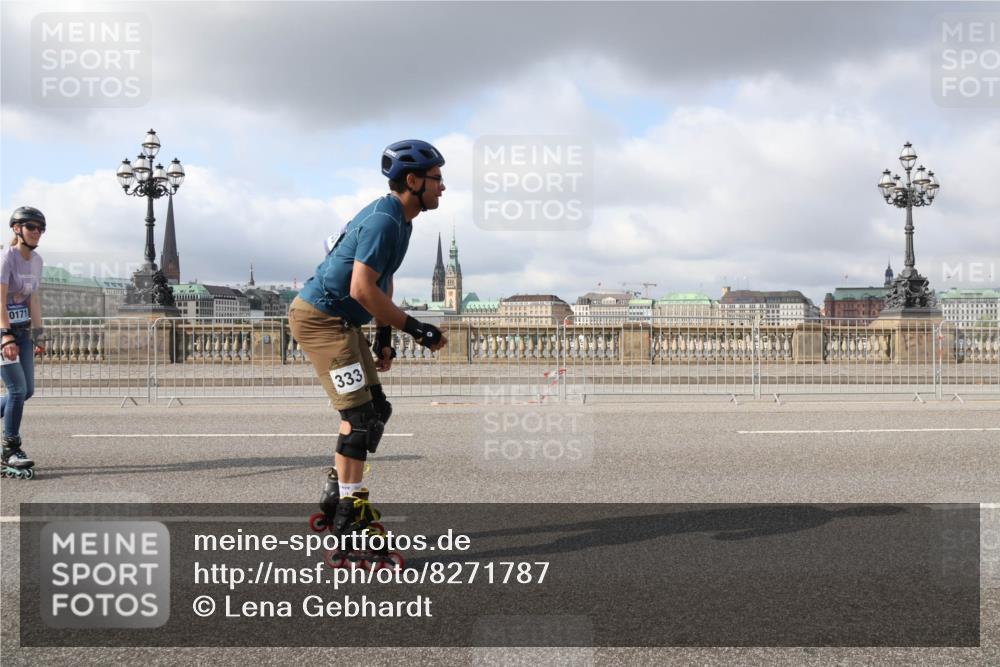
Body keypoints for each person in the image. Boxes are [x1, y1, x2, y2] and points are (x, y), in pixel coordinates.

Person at [290, 140, 448, 535]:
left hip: (343, 320)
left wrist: (383, 338)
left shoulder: (401, 220)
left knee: (376, 410)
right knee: (358, 418)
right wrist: (416, 328)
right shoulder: (383, 220)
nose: (442, 187)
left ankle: (336, 489)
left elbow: (383, 282)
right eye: (437, 179)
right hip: (322, 320)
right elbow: (363, 289)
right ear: (413, 181)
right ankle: (350, 509)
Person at [1, 206, 47, 480]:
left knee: (27, 391)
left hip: (23, 331)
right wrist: (4, 335)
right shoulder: (6, 258)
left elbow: (34, 299)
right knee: (16, 390)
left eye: (40, 228)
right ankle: (10, 450)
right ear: (17, 229)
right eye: (31, 227)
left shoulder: (38, 260)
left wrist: (39, 334)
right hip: (3, 330)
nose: (37, 232)